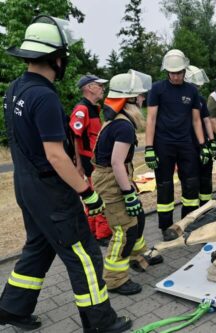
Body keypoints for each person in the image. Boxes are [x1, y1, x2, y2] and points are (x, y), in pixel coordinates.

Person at [0, 15, 131, 332]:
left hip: (26, 185)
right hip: (50, 191)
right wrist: (88, 192)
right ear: (55, 58)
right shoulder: (44, 96)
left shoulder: (16, 89)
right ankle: (100, 323)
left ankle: (12, 309)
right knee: (83, 254)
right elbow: (56, 154)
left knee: (39, 247)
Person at [91, 70, 163, 295]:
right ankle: (114, 279)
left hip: (114, 177)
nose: (143, 100)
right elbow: (116, 162)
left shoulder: (118, 120)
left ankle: (137, 256)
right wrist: (127, 193)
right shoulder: (123, 126)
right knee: (124, 229)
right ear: (129, 99)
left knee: (138, 218)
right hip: (111, 180)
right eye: (140, 96)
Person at [145, 49, 209, 241]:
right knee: (165, 186)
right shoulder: (157, 89)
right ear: (166, 71)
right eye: (172, 72)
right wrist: (148, 148)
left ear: (184, 70)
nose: (175, 76)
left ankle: (187, 222)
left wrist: (203, 144)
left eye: (179, 72)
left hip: (186, 145)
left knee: (191, 185)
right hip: (163, 144)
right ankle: (166, 227)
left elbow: (197, 121)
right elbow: (151, 119)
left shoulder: (192, 91)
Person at [70, 74, 112, 246]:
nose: (103, 88)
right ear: (89, 88)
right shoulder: (82, 109)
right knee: (102, 194)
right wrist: (78, 164)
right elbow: (75, 137)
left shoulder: (95, 107)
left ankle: (93, 232)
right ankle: (102, 235)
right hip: (90, 160)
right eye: (99, 85)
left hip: (96, 158)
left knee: (95, 195)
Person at [185, 65, 216, 206]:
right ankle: (192, 212)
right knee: (191, 181)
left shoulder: (201, 100)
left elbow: (207, 121)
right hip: (188, 146)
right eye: (195, 85)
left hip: (203, 145)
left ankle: (206, 207)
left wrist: (212, 141)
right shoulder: (182, 101)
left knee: (206, 178)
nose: (198, 88)